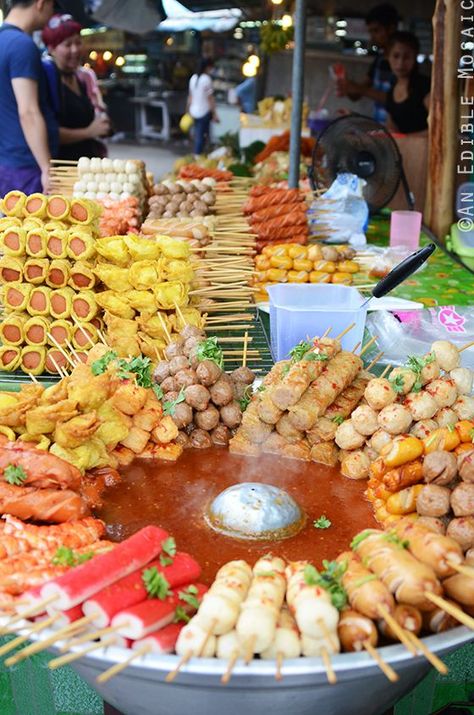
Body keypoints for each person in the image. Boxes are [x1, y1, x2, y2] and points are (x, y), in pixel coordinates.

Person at [0, 0, 57, 196]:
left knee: (14, 225)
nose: (52, 14)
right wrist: (46, 167)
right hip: (27, 165)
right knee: (32, 225)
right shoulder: (22, 45)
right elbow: (28, 111)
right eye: (53, 6)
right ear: (41, 3)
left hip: (8, 160)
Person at [41, 14, 110, 161]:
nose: (75, 50)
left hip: (88, 164)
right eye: (67, 44)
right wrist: (89, 132)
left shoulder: (82, 77)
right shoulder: (46, 79)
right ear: (51, 48)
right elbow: (46, 132)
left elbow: (97, 111)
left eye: (78, 43)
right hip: (62, 168)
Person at [337, 3, 399, 123]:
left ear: (391, 28)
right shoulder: (379, 61)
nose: (372, 37)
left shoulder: (403, 63)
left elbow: (398, 100)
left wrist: (359, 89)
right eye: (370, 32)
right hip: (381, 131)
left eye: (376, 31)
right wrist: (346, 84)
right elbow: (356, 95)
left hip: (399, 133)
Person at [384, 31, 430, 134]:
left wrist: (408, 138)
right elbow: (390, 127)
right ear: (388, 57)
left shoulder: (425, 86)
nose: (400, 63)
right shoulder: (391, 90)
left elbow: (438, 125)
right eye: (396, 56)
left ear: (415, 58)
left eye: (407, 57)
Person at [187, 58, 219, 156]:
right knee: (202, 136)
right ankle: (197, 156)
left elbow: (190, 96)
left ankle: (198, 154)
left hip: (194, 110)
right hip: (204, 111)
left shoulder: (193, 78)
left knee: (198, 135)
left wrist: (187, 109)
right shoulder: (206, 79)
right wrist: (214, 113)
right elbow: (210, 98)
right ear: (207, 67)